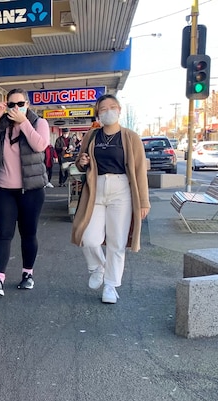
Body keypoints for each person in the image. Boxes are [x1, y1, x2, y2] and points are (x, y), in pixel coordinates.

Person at [70, 94, 150, 304]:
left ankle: (111, 285)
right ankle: (98, 266)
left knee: (117, 241)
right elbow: (80, 163)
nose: (108, 111)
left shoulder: (130, 137)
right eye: (103, 109)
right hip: (95, 189)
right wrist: (83, 161)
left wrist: (143, 201)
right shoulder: (92, 136)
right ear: (98, 113)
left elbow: (140, 170)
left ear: (120, 110)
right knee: (88, 236)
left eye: (112, 107)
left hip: (121, 190)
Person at [0, 89, 50, 296]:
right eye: (11, 104)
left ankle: (28, 274)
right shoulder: (1, 124)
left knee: (28, 233)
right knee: (3, 234)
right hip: (3, 189)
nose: (16, 108)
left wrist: (23, 122)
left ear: (27, 103)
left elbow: (40, 145)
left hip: (31, 189)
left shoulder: (38, 123)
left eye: (20, 104)